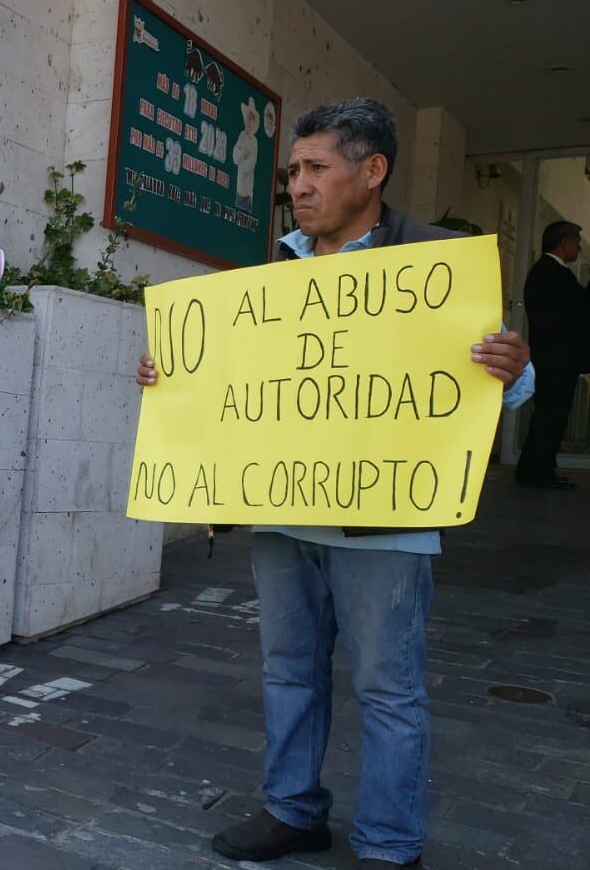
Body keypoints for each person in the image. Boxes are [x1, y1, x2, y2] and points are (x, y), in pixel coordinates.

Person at [138, 99, 534, 870]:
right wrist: (168, 378)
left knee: (387, 687)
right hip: (281, 511)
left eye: (315, 167)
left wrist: (512, 371)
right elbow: (234, 381)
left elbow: (510, 386)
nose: (298, 185)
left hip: (383, 522)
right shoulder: (279, 268)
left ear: (372, 170)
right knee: (287, 670)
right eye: (293, 171)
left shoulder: (437, 262)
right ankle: (292, 809)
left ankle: (389, 844)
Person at [517, 219, 586, 489]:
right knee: (551, 415)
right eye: (576, 241)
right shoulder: (549, 273)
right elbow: (578, 308)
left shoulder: (548, 273)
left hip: (554, 358)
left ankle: (539, 468)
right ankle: (537, 472)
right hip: (556, 360)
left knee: (551, 415)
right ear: (563, 242)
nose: (578, 247)